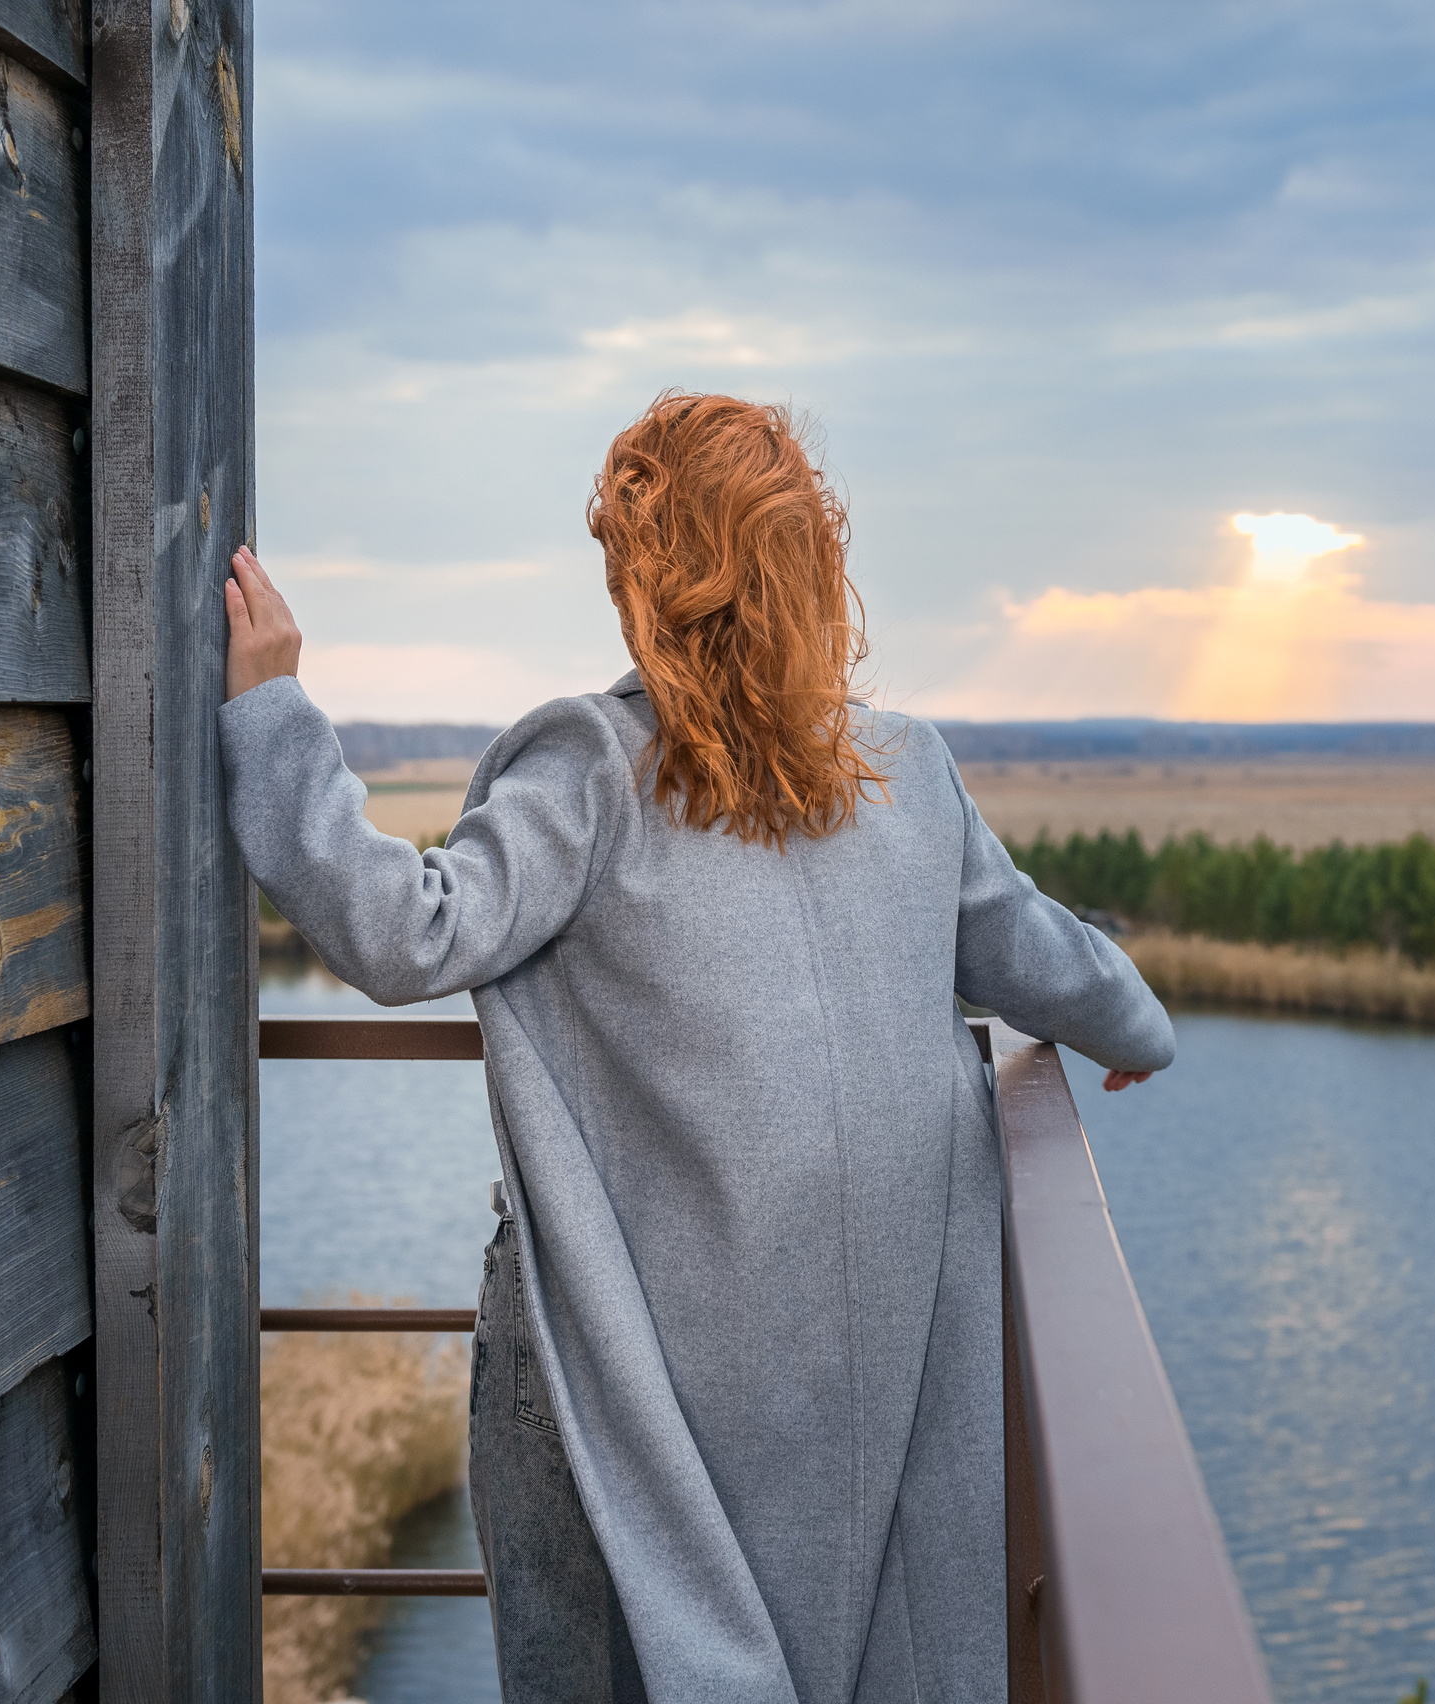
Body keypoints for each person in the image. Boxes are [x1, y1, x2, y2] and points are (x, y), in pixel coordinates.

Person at [217, 392, 1175, 1704]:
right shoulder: (901, 772)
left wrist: (274, 715)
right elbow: (1029, 948)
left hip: (620, 1381)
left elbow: (405, 932)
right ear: (811, 570)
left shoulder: (594, 768)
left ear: (651, 581)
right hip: (864, 1386)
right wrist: (1132, 1022)